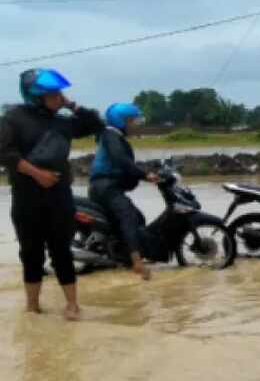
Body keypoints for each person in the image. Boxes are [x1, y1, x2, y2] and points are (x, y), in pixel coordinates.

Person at [0, 69, 104, 320]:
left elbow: (96, 124)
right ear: (36, 96)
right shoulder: (13, 118)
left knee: (62, 251)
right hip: (27, 198)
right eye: (54, 94)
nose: (60, 97)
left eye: (60, 93)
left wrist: (71, 104)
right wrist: (36, 173)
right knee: (31, 252)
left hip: (59, 197)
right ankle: (33, 306)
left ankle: (72, 305)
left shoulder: (63, 120)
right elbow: (5, 153)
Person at [88, 103, 158, 281]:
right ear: (123, 120)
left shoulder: (112, 135)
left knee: (139, 218)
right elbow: (121, 161)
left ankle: (123, 255)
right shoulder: (111, 135)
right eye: (133, 120)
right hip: (106, 187)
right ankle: (137, 263)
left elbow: (124, 163)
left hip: (105, 187)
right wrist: (144, 175)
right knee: (128, 215)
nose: (136, 124)